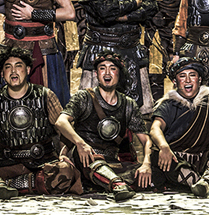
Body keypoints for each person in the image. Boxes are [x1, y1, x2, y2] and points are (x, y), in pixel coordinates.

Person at [0, 43, 81, 200]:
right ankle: (7, 184)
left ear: (28, 70)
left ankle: (0, 185)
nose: (13, 71)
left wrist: (63, 154)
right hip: (8, 164)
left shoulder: (45, 95)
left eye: (18, 66)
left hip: (43, 163)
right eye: (8, 67)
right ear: (2, 74)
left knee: (64, 172)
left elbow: (63, 128)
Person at [77, 0, 158, 111]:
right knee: (93, 112)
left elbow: (151, 6)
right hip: (99, 49)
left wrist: (123, 17)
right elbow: (103, 12)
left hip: (130, 48)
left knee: (136, 113)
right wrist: (134, 3)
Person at [54, 51, 151, 201]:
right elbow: (61, 122)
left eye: (112, 68)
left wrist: (146, 164)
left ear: (119, 74)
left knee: (152, 171)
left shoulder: (128, 105)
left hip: (111, 161)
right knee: (89, 160)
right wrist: (80, 144)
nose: (107, 73)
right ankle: (118, 185)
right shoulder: (84, 97)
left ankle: (109, 181)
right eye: (102, 68)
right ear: (96, 74)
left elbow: (146, 140)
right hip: (85, 156)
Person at [147, 58, 209, 197]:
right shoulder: (168, 104)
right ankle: (207, 182)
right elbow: (155, 128)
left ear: (199, 80)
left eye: (192, 75)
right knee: (157, 156)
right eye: (182, 76)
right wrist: (164, 147)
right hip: (178, 160)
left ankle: (205, 182)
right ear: (175, 82)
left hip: (208, 160)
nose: (188, 80)